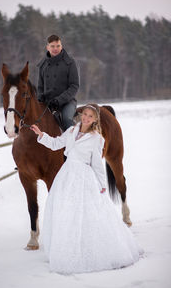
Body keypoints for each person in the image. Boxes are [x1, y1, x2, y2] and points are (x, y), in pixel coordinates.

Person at [30, 104, 143, 274]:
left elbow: (97, 164)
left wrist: (102, 185)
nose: (86, 118)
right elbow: (55, 144)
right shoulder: (71, 131)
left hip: (83, 176)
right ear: (81, 115)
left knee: (85, 212)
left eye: (91, 116)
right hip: (66, 174)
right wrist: (41, 135)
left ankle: (87, 247)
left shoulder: (97, 138)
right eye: (85, 115)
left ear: (95, 119)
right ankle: (66, 245)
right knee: (66, 211)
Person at [37, 34, 79, 131]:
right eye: (52, 46)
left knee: (67, 119)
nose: (55, 49)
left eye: (58, 46)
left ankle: (73, 144)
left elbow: (74, 86)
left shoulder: (70, 62)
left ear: (61, 46)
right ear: (47, 47)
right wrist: (40, 96)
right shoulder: (43, 64)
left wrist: (58, 100)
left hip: (67, 103)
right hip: (47, 104)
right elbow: (40, 86)